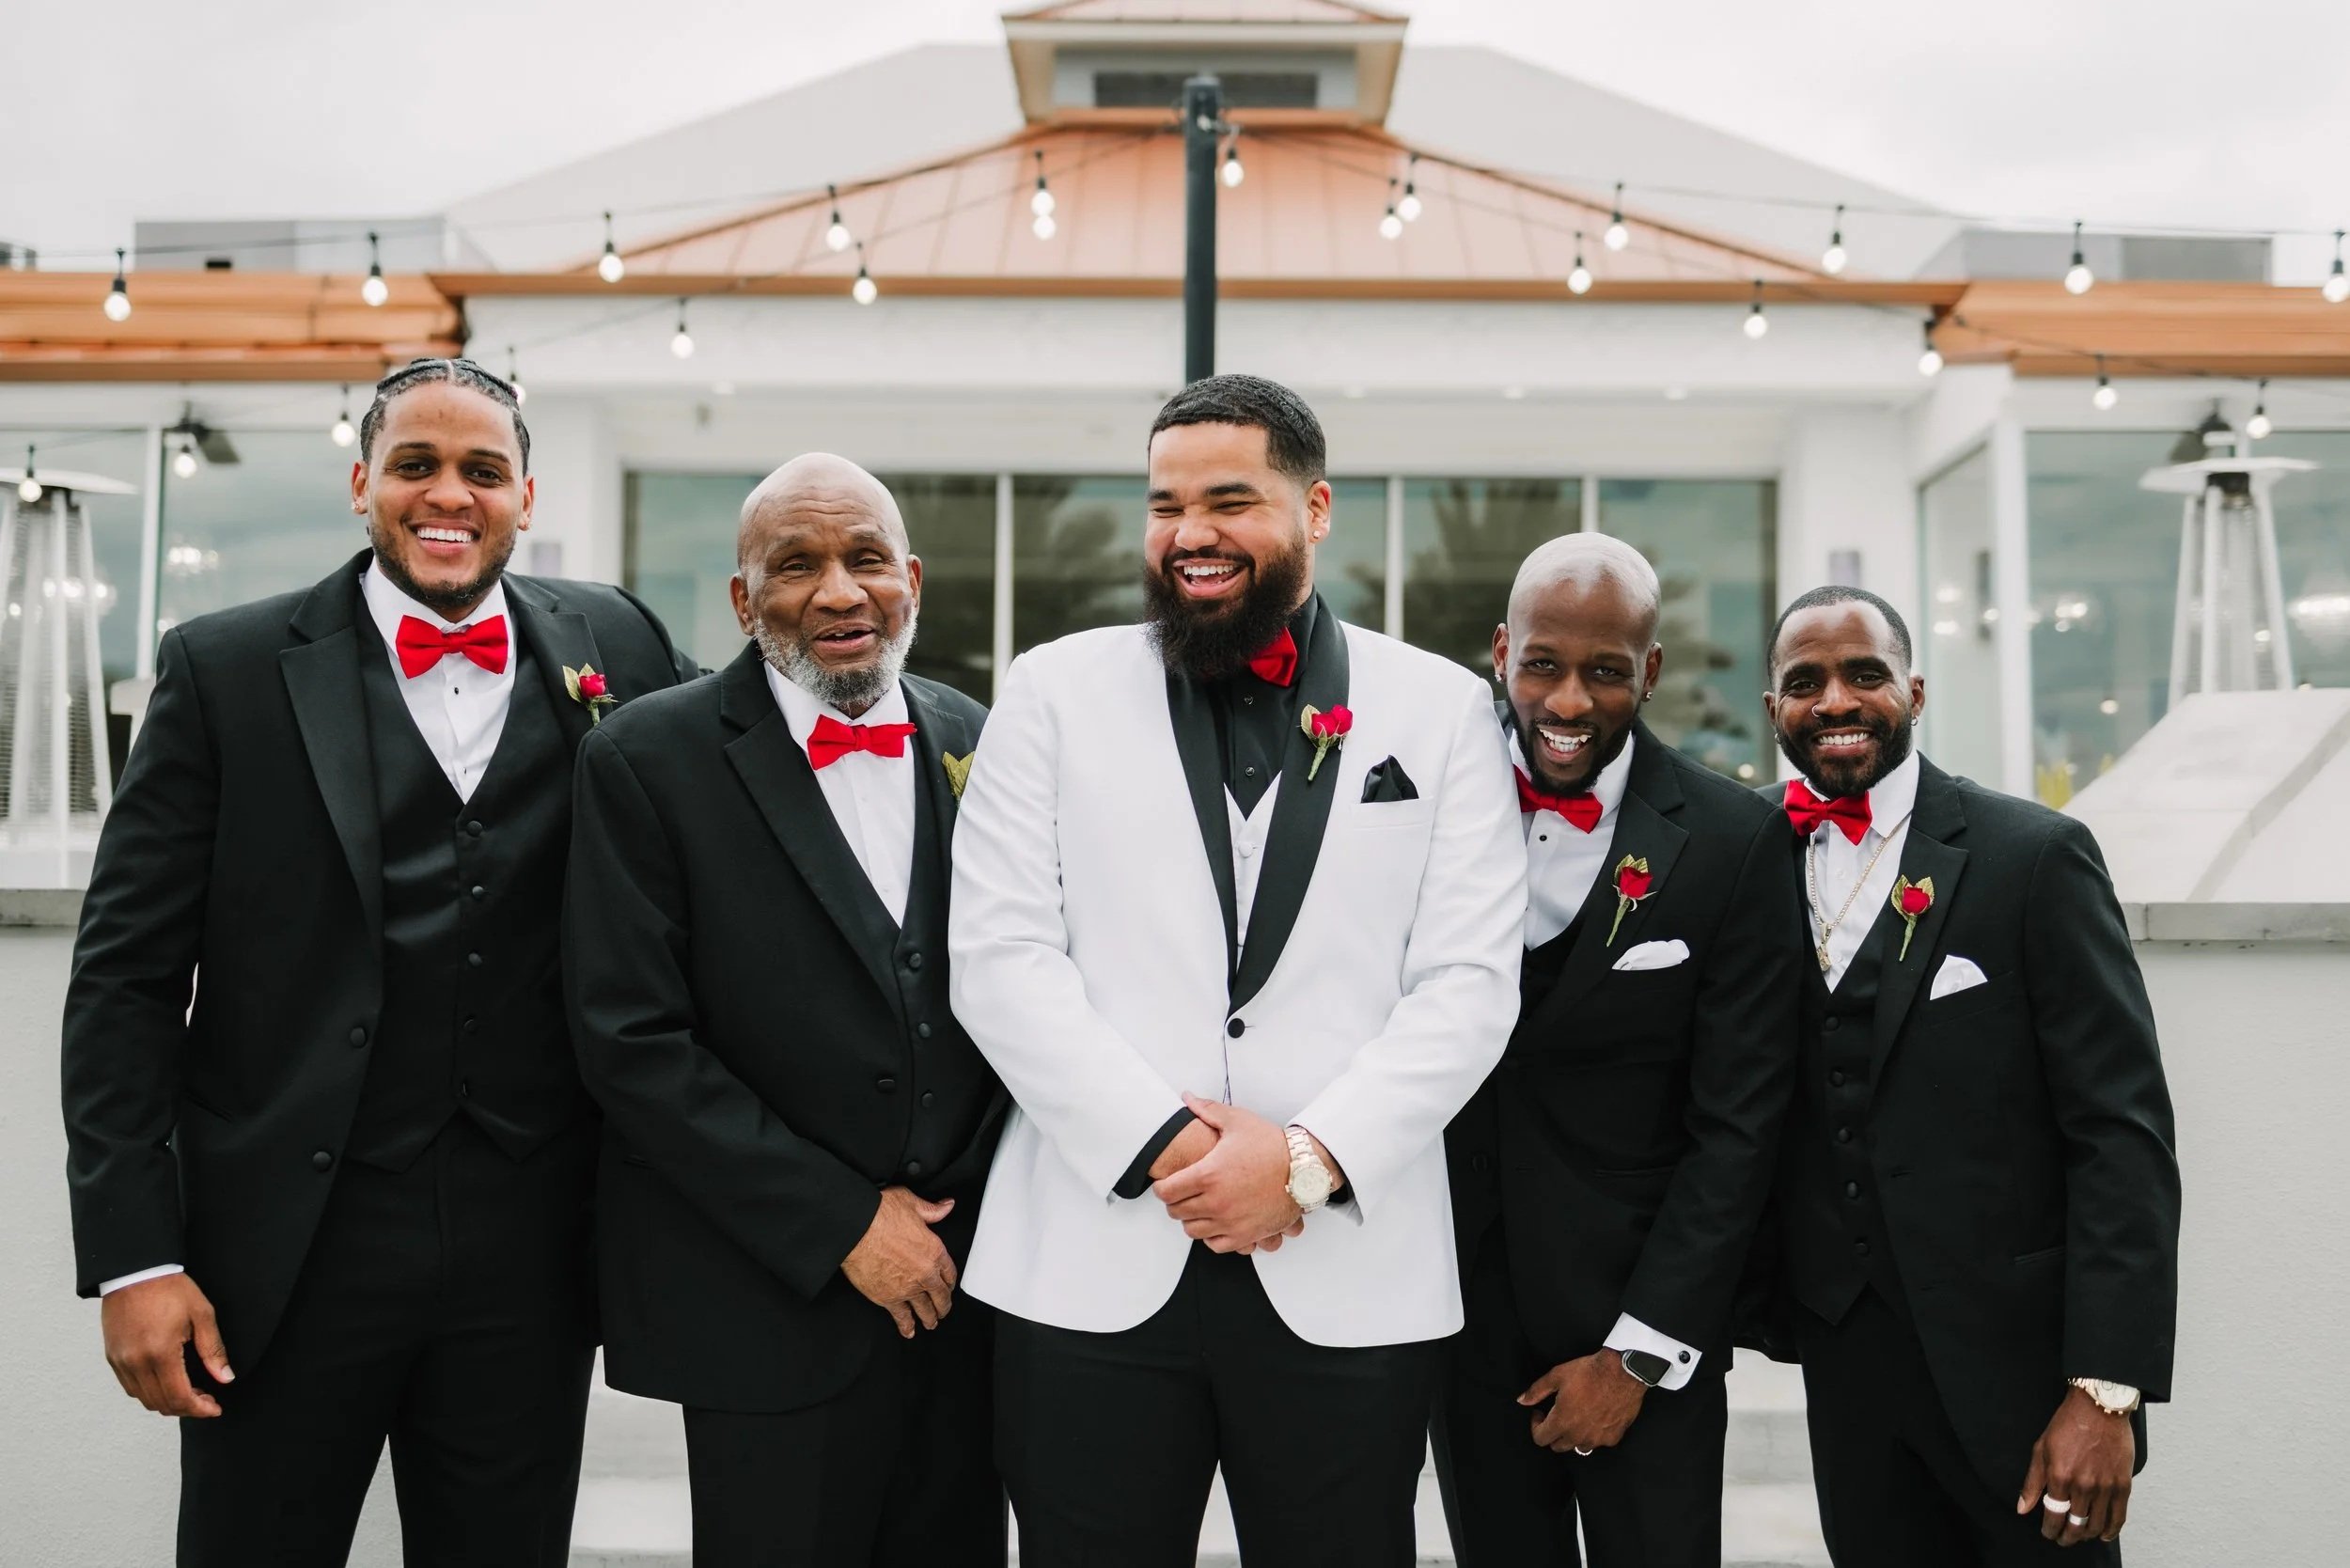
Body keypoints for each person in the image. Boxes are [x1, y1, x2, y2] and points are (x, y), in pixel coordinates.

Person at [60, 357, 698, 1566]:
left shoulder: (615, 638)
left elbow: (719, 818)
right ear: (362, 484)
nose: (448, 494)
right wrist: (136, 1256)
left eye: (481, 470)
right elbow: (125, 982)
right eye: (416, 465)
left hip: (532, 1240)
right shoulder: (223, 668)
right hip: (286, 1246)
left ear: (524, 496)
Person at [946, 373, 1525, 1567]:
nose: (1189, 533)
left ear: (1315, 509)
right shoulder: (1050, 691)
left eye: (1228, 500)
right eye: (1165, 505)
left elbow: (1469, 985)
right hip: (1090, 1260)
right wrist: (1175, 1150)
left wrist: (1304, 1164)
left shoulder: (1444, 710)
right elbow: (1000, 959)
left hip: (1348, 1271)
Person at [564, 455, 1005, 1567]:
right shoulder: (641, 758)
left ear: (911, 579)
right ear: (742, 598)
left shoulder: (980, 737)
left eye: (867, 559)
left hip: (972, 1301)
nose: (840, 592)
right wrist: (844, 1223)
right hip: (766, 1305)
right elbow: (632, 1042)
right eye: (796, 565)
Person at [1758, 585, 2180, 1564]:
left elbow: (2120, 1134)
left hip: (2020, 1374)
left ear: (1912, 691)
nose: (1834, 700)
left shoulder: (2033, 857)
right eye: (1805, 682)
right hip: (1845, 1361)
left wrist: (2104, 1389)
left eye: (1864, 674)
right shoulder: (1750, 854)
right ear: (1774, 707)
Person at [1435, 534, 1802, 1566]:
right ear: (1500, 652)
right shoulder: (1422, 810)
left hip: (1641, 1324)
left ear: (1649, 671)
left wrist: (1638, 1355)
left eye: (1605, 670)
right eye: (1542, 664)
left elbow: (1740, 1127)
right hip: (1457, 1313)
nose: (1568, 700)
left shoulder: (1734, 840)